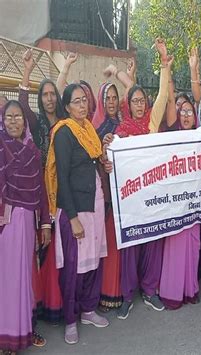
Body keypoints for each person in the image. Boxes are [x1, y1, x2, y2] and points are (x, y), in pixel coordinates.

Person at [103, 39, 171, 320]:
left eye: (143, 100)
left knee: (153, 243)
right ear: (127, 105)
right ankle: (128, 295)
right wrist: (107, 154)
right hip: (130, 199)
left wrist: (164, 61)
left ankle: (150, 290)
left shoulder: (153, 124)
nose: (140, 105)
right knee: (131, 247)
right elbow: (110, 162)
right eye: (135, 101)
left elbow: (165, 94)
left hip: (152, 196)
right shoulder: (121, 130)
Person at [45, 84, 110, 344]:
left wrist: (104, 163)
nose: (83, 105)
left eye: (85, 100)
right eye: (77, 101)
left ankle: (88, 310)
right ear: (68, 106)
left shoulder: (88, 130)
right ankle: (70, 320)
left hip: (94, 204)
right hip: (75, 209)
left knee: (93, 261)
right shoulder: (63, 132)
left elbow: (93, 162)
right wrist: (71, 218)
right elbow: (62, 176)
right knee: (73, 267)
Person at [0, 100, 51, 354]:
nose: (13, 121)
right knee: (8, 279)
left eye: (18, 116)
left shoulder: (32, 150)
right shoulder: (1, 147)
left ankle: (22, 331)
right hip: (6, 223)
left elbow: (40, 188)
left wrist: (45, 223)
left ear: (24, 120)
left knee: (23, 279)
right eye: (8, 117)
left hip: (28, 222)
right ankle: (6, 335)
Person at [20, 49, 65, 326]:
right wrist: (26, 71)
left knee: (58, 251)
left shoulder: (65, 124)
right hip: (39, 196)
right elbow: (22, 106)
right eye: (45, 95)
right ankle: (37, 304)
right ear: (41, 99)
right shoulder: (35, 125)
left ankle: (55, 301)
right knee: (42, 249)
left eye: (52, 94)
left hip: (62, 194)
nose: (49, 98)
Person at [93, 60, 139, 313]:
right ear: (101, 101)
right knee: (110, 244)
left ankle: (125, 289)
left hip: (128, 193)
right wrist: (103, 155)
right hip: (108, 195)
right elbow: (95, 162)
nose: (111, 102)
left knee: (124, 245)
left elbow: (133, 90)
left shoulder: (124, 122)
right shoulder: (96, 127)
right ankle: (108, 292)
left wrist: (116, 72)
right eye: (107, 98)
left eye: (114, 98)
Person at [159, 97, 201, 309]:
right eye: (183, 112)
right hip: (175, 201)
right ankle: (172, 292)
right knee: (175, 244)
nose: (186, 115)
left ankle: (190, 289)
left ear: (197, 114)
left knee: (193, 245)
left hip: (195, 202)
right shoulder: (171, 136)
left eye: (190, 112)